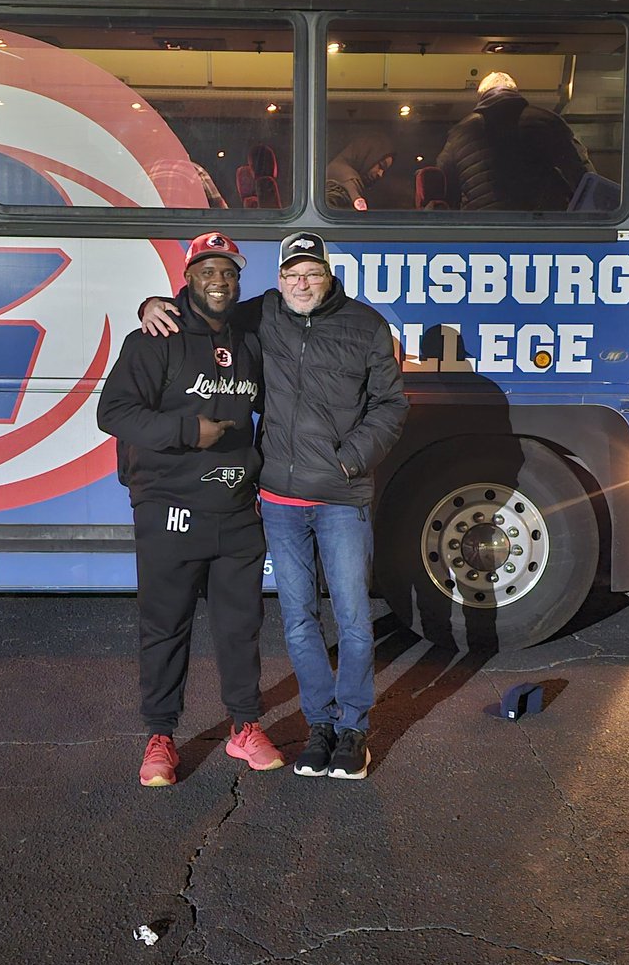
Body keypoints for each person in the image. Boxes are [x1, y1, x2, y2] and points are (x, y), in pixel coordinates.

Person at [140, 232, 409, 781]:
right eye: (291, 275)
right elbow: (204, 303)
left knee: (355, 619)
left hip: (340, 497)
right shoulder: (262, 312)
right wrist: (152, 305)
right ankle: (321, 726)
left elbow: (389, 405)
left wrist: (350, 462)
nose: (300, 283)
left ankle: (354, 728)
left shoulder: (366, 326)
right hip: (280, 500)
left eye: (310, 273)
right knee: (299, 622)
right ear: (279, 279)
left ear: (328, 275)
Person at [97, 231, 284, 787]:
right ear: (188, 277)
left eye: (227, 271)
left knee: (240, 627)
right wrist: (186, 430)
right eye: (207, 271)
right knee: (165, 626)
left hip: (235, 509)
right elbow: (114, 412)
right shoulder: (153, 339)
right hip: (170, 509)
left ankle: (244, 727)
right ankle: (160, 736)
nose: (219, 281)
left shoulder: (251, 338)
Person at [436, 70, 594, 212]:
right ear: (515, 92)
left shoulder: (458, 134)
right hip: (538, 225)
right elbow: (580, 171)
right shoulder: (547, 121)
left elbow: (443, 184)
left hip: (482, 226)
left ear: (480, 97)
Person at [326, 133, 394, 211]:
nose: (380, 174)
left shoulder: (334, 166)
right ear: (368, 155)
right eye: (381, 166)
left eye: (384, 171)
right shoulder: (351, 182)